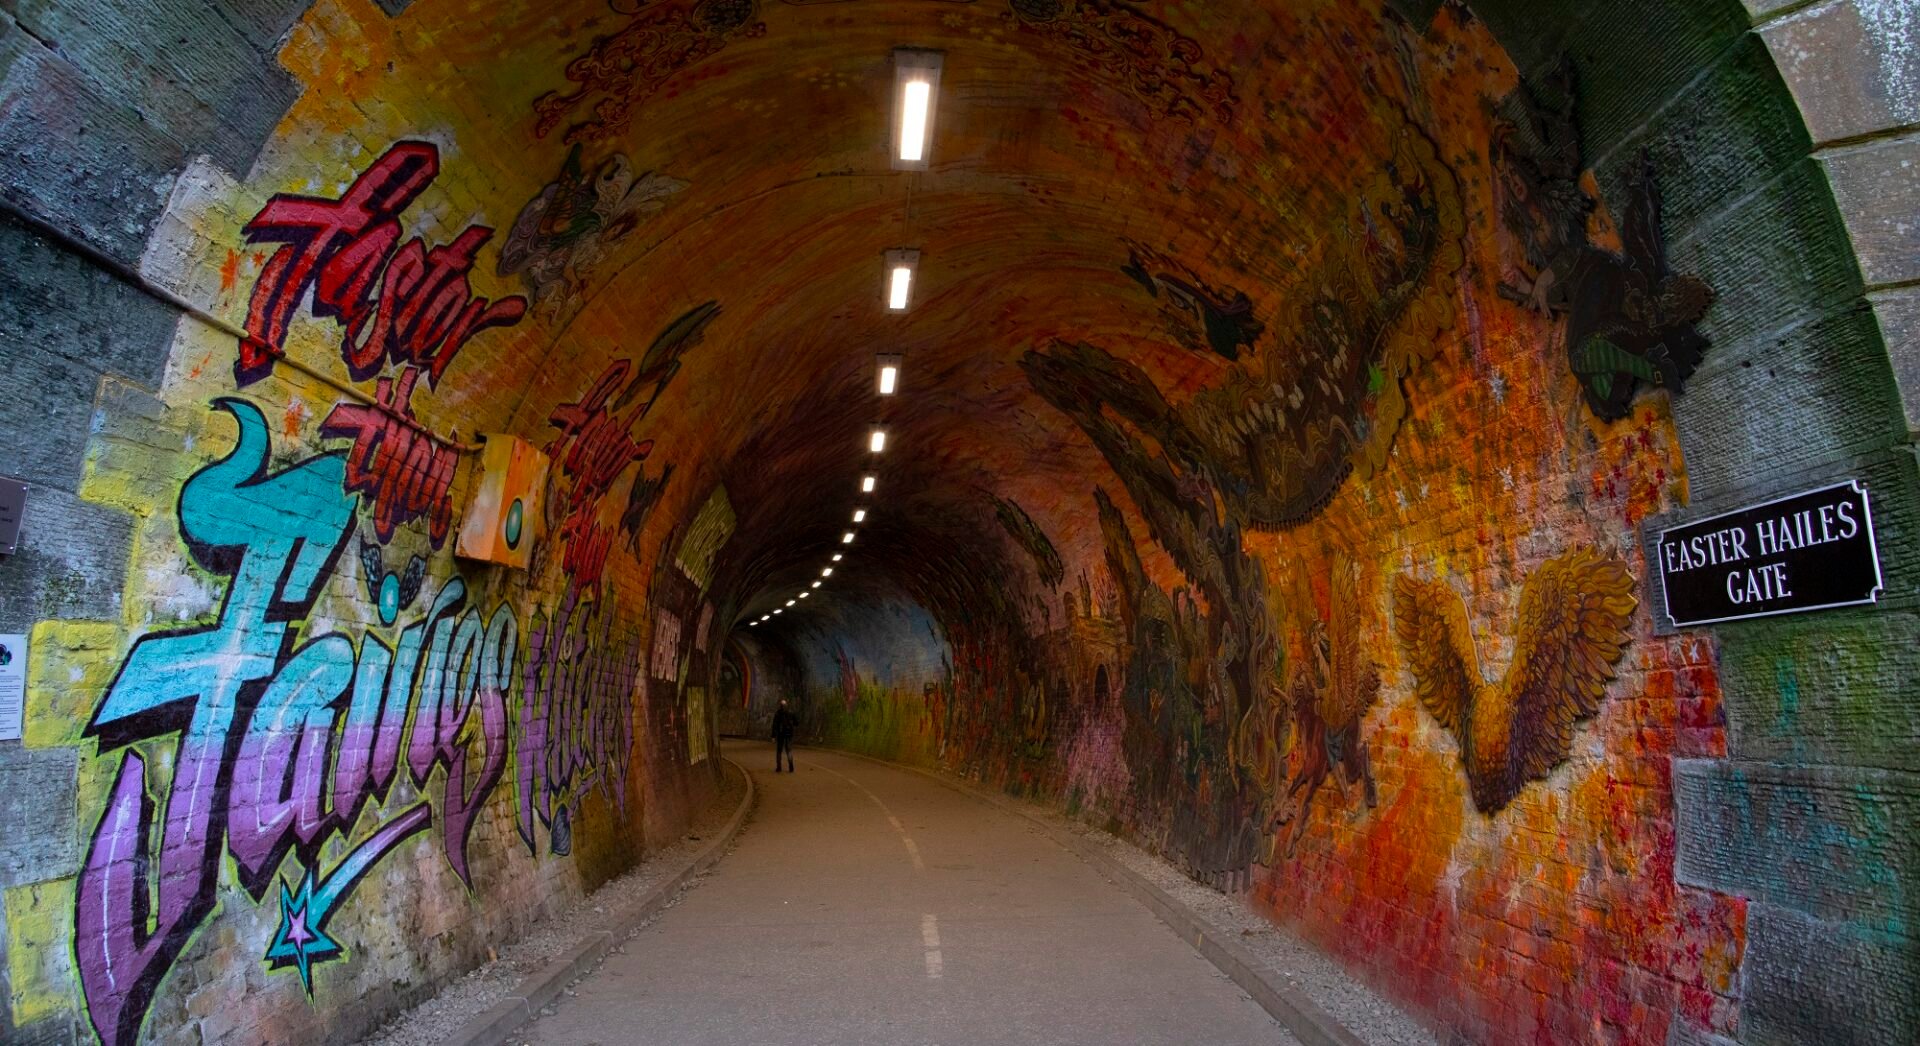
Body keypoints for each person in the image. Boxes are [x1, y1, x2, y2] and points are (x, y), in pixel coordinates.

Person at [769, 700, 797, 773]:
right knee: (789, 750)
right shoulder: (791, 712)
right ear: (786, 705)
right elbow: (796, 722)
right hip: (789, 734)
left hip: (781, 734)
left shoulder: (778, 713)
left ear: (780, 706)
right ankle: (791, 767)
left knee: (779, 751)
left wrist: (773, 736)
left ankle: (779, 767)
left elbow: (774, 725)